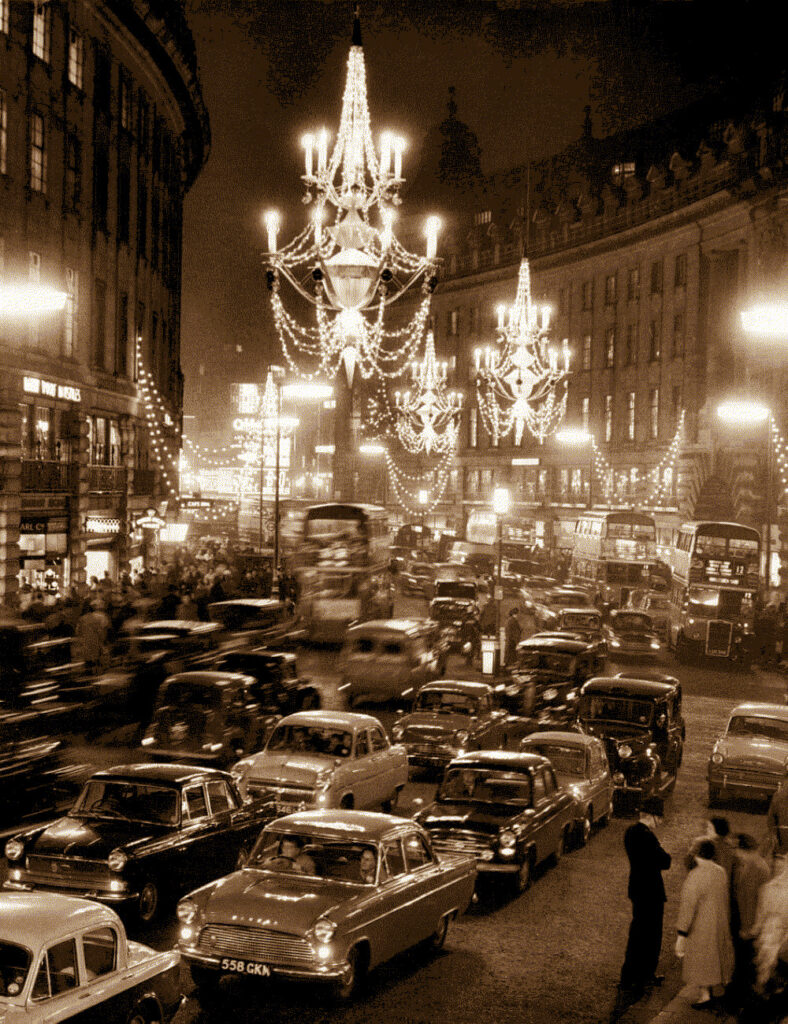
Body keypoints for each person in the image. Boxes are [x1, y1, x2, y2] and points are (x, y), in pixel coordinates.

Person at [675, 838, 735, 1009]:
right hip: (719, 923)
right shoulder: (720, 872)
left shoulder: (695, 876)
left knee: (702, 962)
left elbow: (688, 907)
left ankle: (705, 996)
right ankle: (714, 992)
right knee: (715, 959)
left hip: (701, 927)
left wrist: (682, 934)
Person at [618, 814, 671, 999]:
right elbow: (665, 861)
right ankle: (645, 975)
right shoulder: (648, 837)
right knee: (652, 935)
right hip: (651, 891)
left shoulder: (630, 832)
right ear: (651, 816)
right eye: (659, 817)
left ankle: (628, 975)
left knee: (637, 933)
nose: (661, 821)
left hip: (637, 888)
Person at [729, 833, 770, 1011]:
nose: (735, 853)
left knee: (748, 965)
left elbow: (760, 902)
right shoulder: (745, 865)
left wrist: (752, 928)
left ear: (744, 849)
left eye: (736, 849)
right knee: (741, 962)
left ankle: (746, 1002)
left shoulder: (759, 869)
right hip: (743, 923)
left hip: (751, 926)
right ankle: (739, 998)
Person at [767, 772, 788, 858]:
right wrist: (773, 833)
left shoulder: (778, 795)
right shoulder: (778, 796)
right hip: (781, 835)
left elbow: (771, 819)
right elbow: (771, 818)